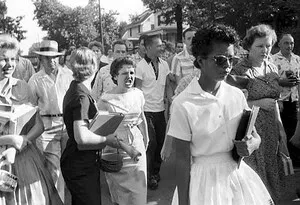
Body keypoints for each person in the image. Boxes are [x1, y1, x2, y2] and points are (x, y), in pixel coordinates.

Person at [168, 24, 273, 205]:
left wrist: (251, 144)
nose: (228, 66)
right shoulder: (183, 104)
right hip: (203, 184)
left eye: (232, 59)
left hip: (237, 177)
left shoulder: (236, 95)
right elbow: (182, 161)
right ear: (200, 61)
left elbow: (255, 136)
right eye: (220, 60)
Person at [0, 34, 63, 205]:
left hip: (25, 158)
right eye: (4, 59)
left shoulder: (22, 87)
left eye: (13, 59)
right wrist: (11, 140)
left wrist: (25, 139)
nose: (10, 64)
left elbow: (38, 125)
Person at [61, 47, 121, 205]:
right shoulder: (81, 96)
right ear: (94, 67)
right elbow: (82, 137)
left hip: (78, 162)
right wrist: (107, 139)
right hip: (80, 164)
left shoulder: (76, 89)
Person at [231, 24, 283, 203]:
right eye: (260, 46)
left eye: (268, 45)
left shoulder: (272, 67)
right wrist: (257, 103)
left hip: (271, 129)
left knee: (272, 171)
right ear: (249, 47)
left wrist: (281, 130)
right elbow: (231, 104)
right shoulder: (239, 70)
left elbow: (275, 102)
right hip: (252, 130)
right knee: (255, 176)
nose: (265, 50)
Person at [97, 57, 149, 205]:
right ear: (114, 76)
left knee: (139, 193)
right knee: (121, 197)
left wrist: (146, 139)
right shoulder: (106, 100)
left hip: (137, 144)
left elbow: (142, 117)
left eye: (132, 73)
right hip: (115, 148)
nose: (130, 77)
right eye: (124, 73)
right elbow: (100, 130)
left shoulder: (138, 94)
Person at [28, 39, 73, 202]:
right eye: (47, 58)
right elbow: (31, 108)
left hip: (67, 125)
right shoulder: (34, 80)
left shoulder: (68, 74)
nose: (51, 61)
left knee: (69, 165)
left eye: (54, 57)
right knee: (54, 170)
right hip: (47, 127)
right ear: (40, 59)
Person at [135, 34, 171, 190]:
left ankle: (155, 172)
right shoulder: (140, 66)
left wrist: (172, 101)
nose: (161, 47)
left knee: (161, 142)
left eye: (161, 45)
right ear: (148, 47)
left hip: (160, 110)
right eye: (158, 45)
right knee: (152, 143)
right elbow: (137, 89)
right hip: (146, 111)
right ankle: (149, 175)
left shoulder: (164, 65)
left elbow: (168, 86)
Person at [272, 33, 300, 166]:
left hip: (294, 99)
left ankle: (293, 161)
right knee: (280, 130)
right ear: (279, 44)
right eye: (286, 43)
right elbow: (270, 82)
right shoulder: (272, 60)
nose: (290, 46)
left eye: (292, 43)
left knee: (294, 129)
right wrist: (283, 83)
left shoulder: (297, 59)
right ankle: (280, 160)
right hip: (280, 101)